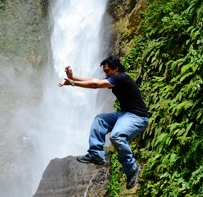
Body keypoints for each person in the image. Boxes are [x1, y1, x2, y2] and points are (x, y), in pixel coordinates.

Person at [59, 55, 149, 189]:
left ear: (116, 69)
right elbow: (94, 80)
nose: (105, 74)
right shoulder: (115, 79)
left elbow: (95, 85)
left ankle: (132, 169)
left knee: (116, 136)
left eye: (107, 71)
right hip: (124, 114)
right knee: (100, 120)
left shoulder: (122, 78)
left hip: (138, 117)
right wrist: (73, 77)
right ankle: (96, 155)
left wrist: (72, 83)